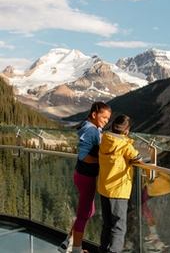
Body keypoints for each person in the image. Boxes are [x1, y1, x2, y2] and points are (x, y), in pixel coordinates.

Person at [58, 101, 112, 253]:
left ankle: (68, 241)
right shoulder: (92, 130)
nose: (106, 121)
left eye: (108, 119)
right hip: (87, 177)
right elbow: (83, 156)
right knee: (84, 214)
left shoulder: (89, 126)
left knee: (89, 211)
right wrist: (103, 161)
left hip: (81, 175)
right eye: (104, 118)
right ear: (94, 115)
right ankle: (76, 249)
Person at [97, 114, 142, 253]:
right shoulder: (124, 145)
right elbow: (138, 158)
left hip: (104, 188)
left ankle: (103, 250)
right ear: (126, 130)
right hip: (118, 190)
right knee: (119, 227)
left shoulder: (105, 140)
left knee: (107, 224)